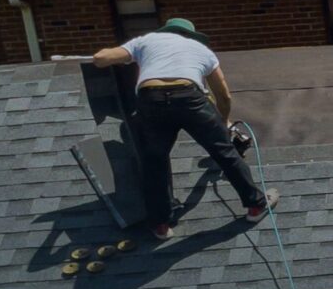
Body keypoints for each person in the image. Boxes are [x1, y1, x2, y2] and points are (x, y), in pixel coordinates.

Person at [92, 18, 278, 240]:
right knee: (224, 153)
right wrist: (223, 122)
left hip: (151, 99)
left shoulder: (147, 41)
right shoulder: (201, 49)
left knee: (154, 161)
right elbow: (224, 95)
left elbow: (101, 58)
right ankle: (255, 206)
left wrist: (109, 55)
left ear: (167, 31)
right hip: (190, 98)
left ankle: (161, 224)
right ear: (190, 35)